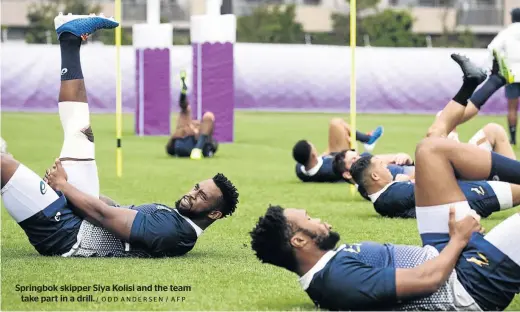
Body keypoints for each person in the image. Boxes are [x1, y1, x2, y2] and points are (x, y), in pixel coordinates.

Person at [250, 55, 520, 311]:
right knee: (437, 145)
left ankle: (473, 82)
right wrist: (459, 239)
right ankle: (486, 82)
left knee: (429, 148)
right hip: (466, 285)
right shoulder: (337, 280)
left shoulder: (328, 269)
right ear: (298, 240)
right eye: (309, 219)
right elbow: (430, 281)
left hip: (440, 253)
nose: (320, 220)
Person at [0, 14, 239, 258]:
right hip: (80, 219)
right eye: (197, 187)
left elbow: (105, 215)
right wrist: (75, 190)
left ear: (214, 214)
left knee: (3, 164)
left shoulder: (172, 231)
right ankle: (70, 39)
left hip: (65, 234)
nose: (192, 193)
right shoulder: (176, 220)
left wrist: (63, 185)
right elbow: (113, 207)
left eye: (202, 196)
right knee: (82, 133)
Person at [292, 120, 383, 183]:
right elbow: (353, 166)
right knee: (338, 124)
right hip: (341, 157)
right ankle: (367, 140)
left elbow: (315, 161)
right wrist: (353, 145)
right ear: (313, 155)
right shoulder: (329, 170)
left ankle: (367, 140)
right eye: (313, 147)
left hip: (329, 155)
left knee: (335, 123)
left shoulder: (300, 168)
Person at [486, 8, 520, 145]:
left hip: (512, 73)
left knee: (512, 108)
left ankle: (512, 139)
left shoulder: (507, 32)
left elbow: (492, 47)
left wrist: (499, 63)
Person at [165, 71, 218, 159]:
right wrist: (178, 134)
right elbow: (169, 148)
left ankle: (197, 149)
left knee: (208, 117)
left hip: (196, 144)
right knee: (186, 115)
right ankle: (183, 93)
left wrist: (195, 131)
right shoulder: (185, 124)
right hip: (183, 144)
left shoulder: (202, 128)